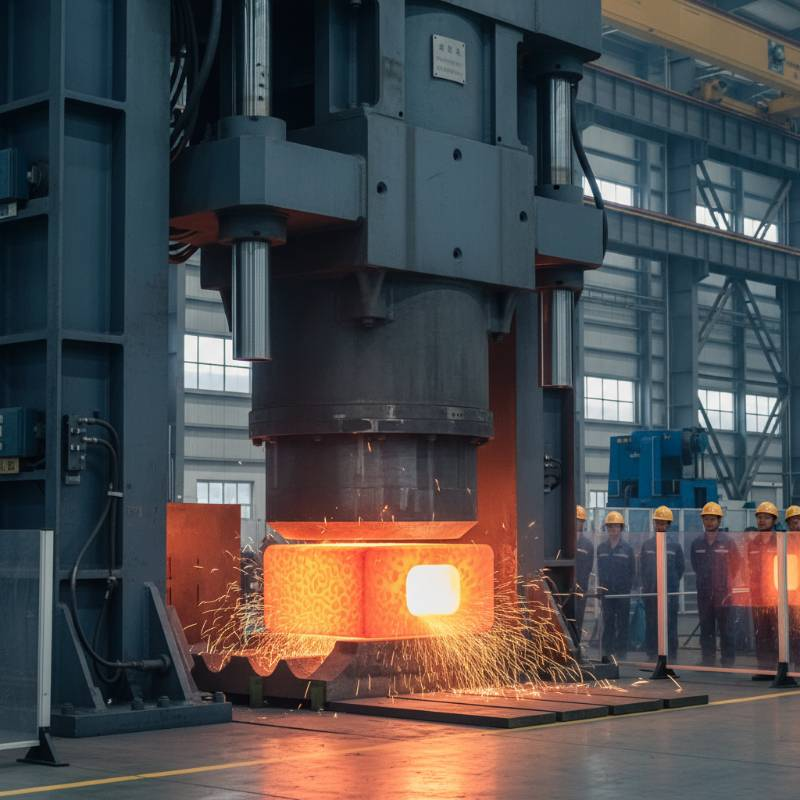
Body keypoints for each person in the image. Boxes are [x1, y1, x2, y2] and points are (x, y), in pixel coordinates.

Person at [690, 502, 740, 667]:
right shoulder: (697, 543)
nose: (709, 522)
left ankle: (728, 661)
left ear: (719, 521)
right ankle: (708, 659)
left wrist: (725, 582)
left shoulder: (728, 542)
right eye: (706, 519)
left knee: (726, 629)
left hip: (723, 593)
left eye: (713, 519)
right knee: (706, 628)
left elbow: (736, 564)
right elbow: (695, 565)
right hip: (704, 593)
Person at [640, 506, 685, 661]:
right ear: (654, 524)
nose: (660, 526)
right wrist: (648, 585)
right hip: (651, 591)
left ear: (668, 525)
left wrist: (671, 585)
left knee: (671, 623)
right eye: (657, 523)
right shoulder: (647, 545)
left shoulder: (675, 546)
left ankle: (672, 654)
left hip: (669, 593)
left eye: (663, 523)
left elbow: (680, 569)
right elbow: (642, 567)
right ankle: (652, 653)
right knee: (652, 623)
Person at [596, 511, 635, 662]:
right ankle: (607, 651)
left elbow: (633, 571)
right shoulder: (601, 548)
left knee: (623, 622)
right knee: (609, 621)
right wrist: (601, 587)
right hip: (607, 592)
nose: (613, 529)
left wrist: (627, 588)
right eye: (610, 526)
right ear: (607, 528)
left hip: (622, 592)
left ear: (621, 528)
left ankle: (622, 652)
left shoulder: (627, 549)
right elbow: (599, 569)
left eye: (616, 526)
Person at [746, 501, 779, 675]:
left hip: (777, 597)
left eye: (766, 517)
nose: (762, 520)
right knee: (761, 632)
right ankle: (764, 668)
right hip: (758, 596)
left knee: (778, 632)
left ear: (774, 520)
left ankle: (781, 667)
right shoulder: (753, 543)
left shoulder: (781, 541)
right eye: (759, 517)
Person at [573, 505, 595, 644]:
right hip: (564, 587)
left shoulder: (587, 545)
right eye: (575, 520)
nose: (577, 523)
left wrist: (581, 584)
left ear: (583, 523)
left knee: (579, 617)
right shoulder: (562, 540)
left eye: (580, 521)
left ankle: (577, 643)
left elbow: (588, 567)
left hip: (581, 587)